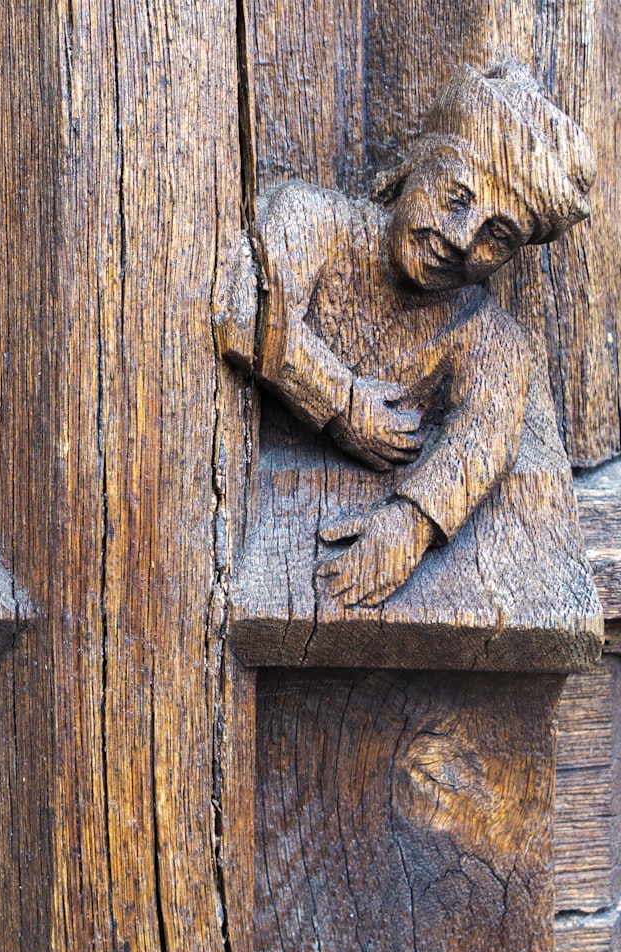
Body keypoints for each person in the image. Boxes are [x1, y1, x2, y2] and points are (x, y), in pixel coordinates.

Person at [230, 58, 595, 608]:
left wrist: (411, 524)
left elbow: (485, 437)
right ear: (415, 164)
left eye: (498, 236)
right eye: (456, 197)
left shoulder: (488, 339)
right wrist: (342, 402)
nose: (462, 238)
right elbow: (248, 311)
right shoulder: (312, 221)